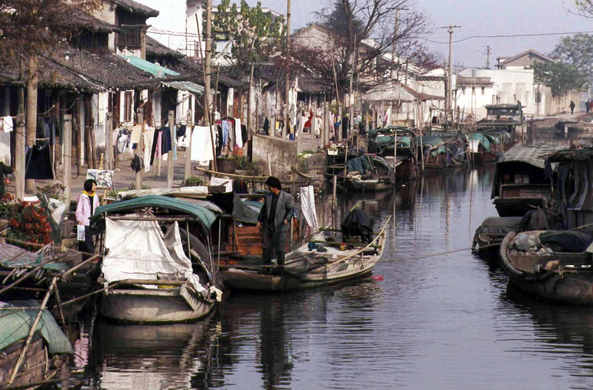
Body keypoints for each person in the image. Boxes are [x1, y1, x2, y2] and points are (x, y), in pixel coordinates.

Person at [256, 176, 294, 270]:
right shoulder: (268, 197)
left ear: (274, 187)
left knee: (280, 249)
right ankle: (266, 267)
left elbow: (290, 210)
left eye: (269, 187)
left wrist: (287, 219)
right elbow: (264, 209)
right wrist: (259, 220)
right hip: (268, 226)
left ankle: (280, 268)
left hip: (280, 226)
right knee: (266, 248)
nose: (268, 189)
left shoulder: (287, 197)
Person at [75, 179, 100, 256]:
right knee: (83, 239)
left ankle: (88, 256)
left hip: (92, 220)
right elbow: (79, 209)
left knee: (88, 239)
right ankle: (89, 255)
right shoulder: (82, 196)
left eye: (95, 185)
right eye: (93, 185)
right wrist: (79, 219)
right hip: (83, 221)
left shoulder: (95, 196)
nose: (95, 187)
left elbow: (97, 207)